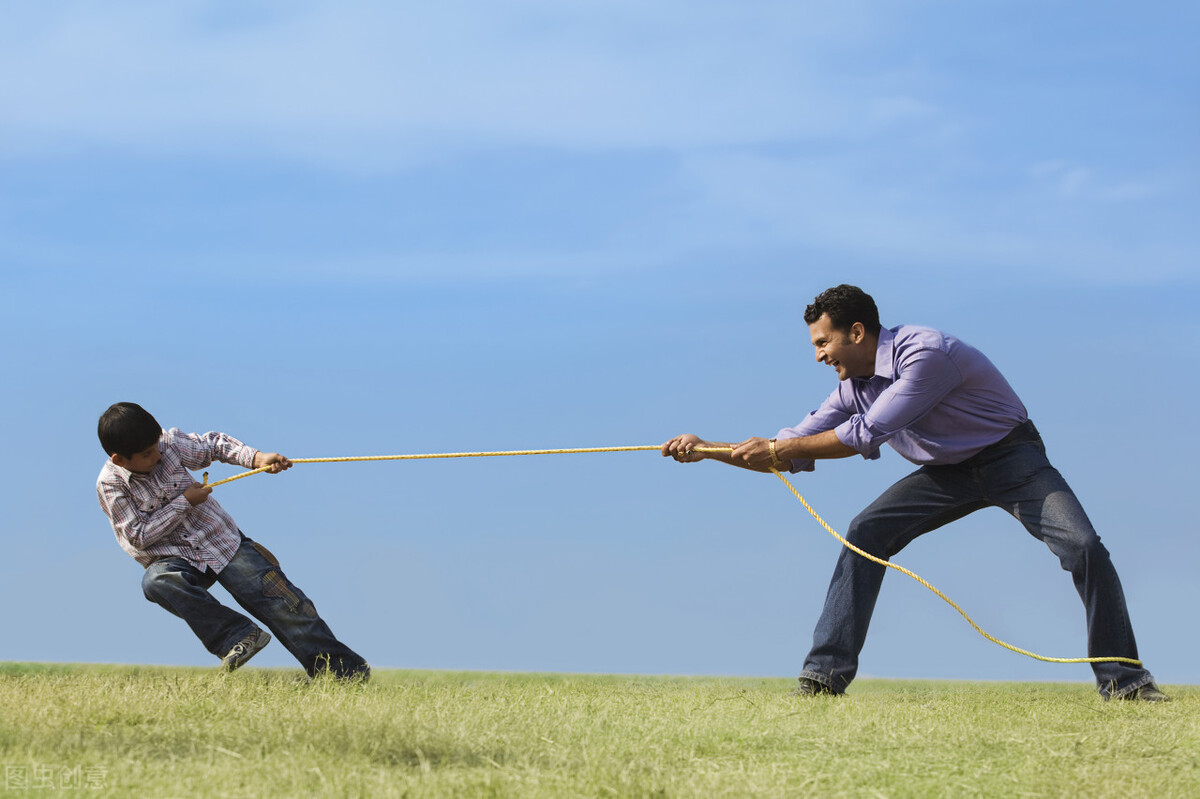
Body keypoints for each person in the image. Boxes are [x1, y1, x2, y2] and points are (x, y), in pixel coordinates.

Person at [663, 285, 1166, 701]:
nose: (818, 355)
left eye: (823, 343)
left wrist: (775, 446)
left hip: (1012, 460)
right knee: (865, 532)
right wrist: (707, 449)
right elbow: (791, 451)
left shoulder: (926, 354)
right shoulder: (851, 387)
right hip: (945, 473)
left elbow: (864, 434)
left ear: (856, 332)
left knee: (1083, 547)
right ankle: (822, 677)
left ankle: (1125, 682)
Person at [96, 402, 369, 681]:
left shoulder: (168, 444)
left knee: (287, 605)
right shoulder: (110, 485)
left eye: (156, 446)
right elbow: (137, 536)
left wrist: (256, 458)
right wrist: (184, 503)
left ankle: (345, 675)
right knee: (156, 581)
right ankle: (237, 635)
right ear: (120, 460)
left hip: (223, 541)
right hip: (175, 559)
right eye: (146, 454)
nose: (157, 455)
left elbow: (213, 445)